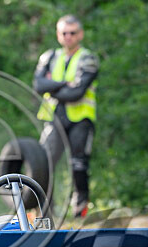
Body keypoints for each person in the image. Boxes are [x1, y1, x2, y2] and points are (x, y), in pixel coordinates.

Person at [34, 14, 99, 218]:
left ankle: (80, 209)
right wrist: (64, 84)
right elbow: (38, 85)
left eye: (72, 33)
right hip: (54, 117)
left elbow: (77, 93)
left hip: (80, 118)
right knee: (43, 164)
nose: (68, 37)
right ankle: (45, 210)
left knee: (78, 164)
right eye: (64, 33)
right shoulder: (49, 57)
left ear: (80, 34)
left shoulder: (88, 58)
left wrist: (52, 85)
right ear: (58, 34)